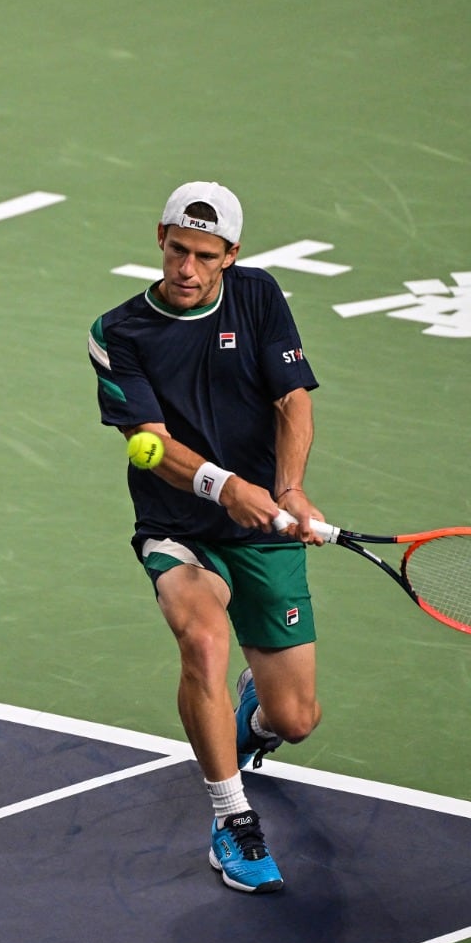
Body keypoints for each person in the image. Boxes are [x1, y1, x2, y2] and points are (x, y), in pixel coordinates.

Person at [87, 181, 325, 894]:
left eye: (205, 256)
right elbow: (148, 443)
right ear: (159, 235)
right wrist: (227, 487)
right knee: (203, 639)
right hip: (180, 528)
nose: (187, 268)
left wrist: (287, 490)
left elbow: (292, 398)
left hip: (264, 531)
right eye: (177, 249)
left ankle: (254, 714)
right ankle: (231, 820)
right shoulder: (118, 332)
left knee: (297, 718)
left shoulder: (258, 297)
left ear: (232, 255)